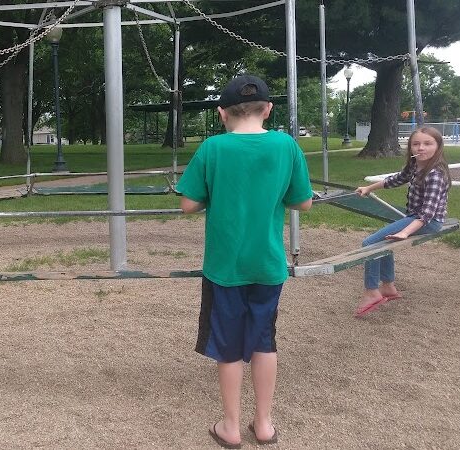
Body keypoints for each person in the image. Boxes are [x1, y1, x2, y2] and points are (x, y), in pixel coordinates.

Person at [176, 75, 313, 449]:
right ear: (268, 109)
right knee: (265, 341)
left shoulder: (212, 149)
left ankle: (231, 427)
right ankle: (264, 423)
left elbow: (188, 204)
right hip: (268, 264)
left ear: (222, 113)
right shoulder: (286, 145)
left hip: (225, 267)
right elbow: (303, 201)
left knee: (229, 346)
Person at [353, 127, 450, 317]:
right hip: (415, 217)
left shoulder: (435, 175)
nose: (421, 148)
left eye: (428, 143)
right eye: (416, 144)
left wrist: (405, 232)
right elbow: (396, 179)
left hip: (428, 221)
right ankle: (388, 286)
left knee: (370, 244)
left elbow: (427, 213)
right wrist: (369, 188)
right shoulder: (416, 164)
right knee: (385, 240)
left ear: (438, 146)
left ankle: (372, 292)